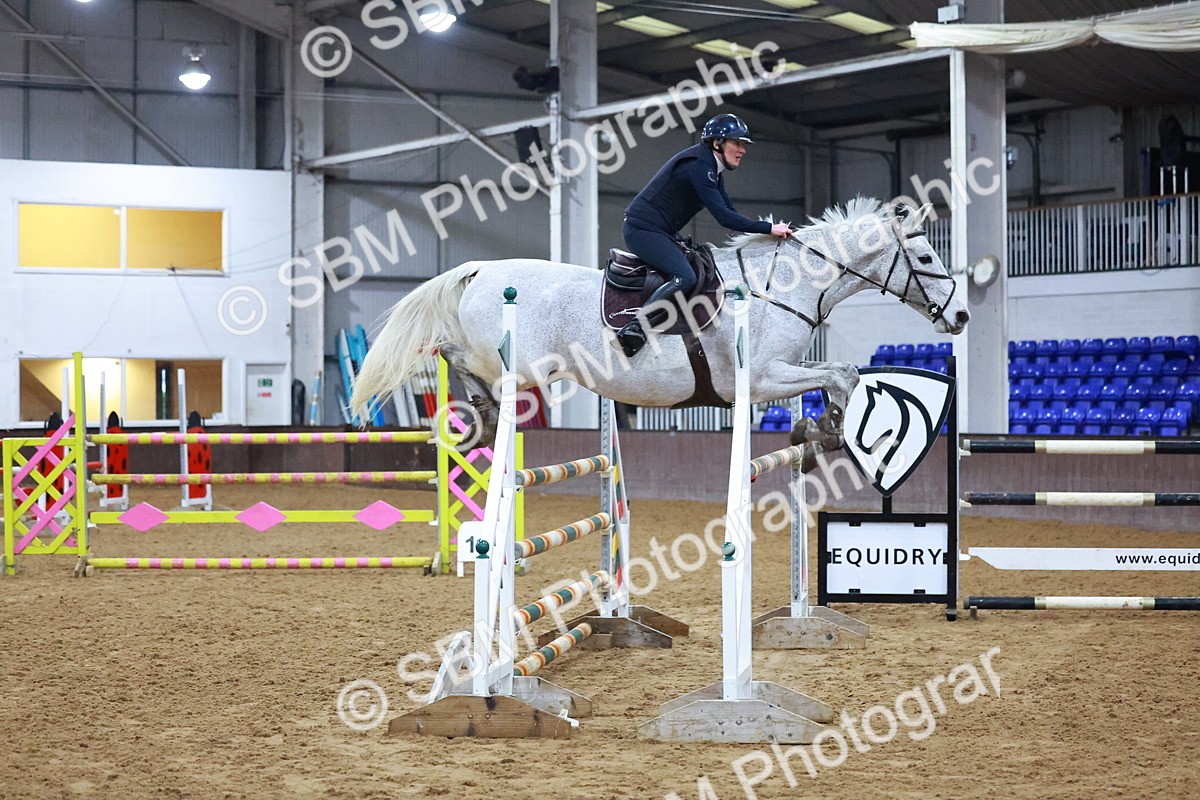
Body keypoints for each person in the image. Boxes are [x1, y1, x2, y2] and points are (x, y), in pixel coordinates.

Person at [616, 113, 791, 357]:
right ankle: (636, 328)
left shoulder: (712, 168)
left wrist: (766, 233)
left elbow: (730, 212)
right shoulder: (700, 166)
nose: (743, 150)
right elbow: (725, 218)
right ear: (717, 143)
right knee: (684, 277)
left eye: (744, 145)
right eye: (737, 143)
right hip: (642, 230)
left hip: (662, 231)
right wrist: (769, 229)